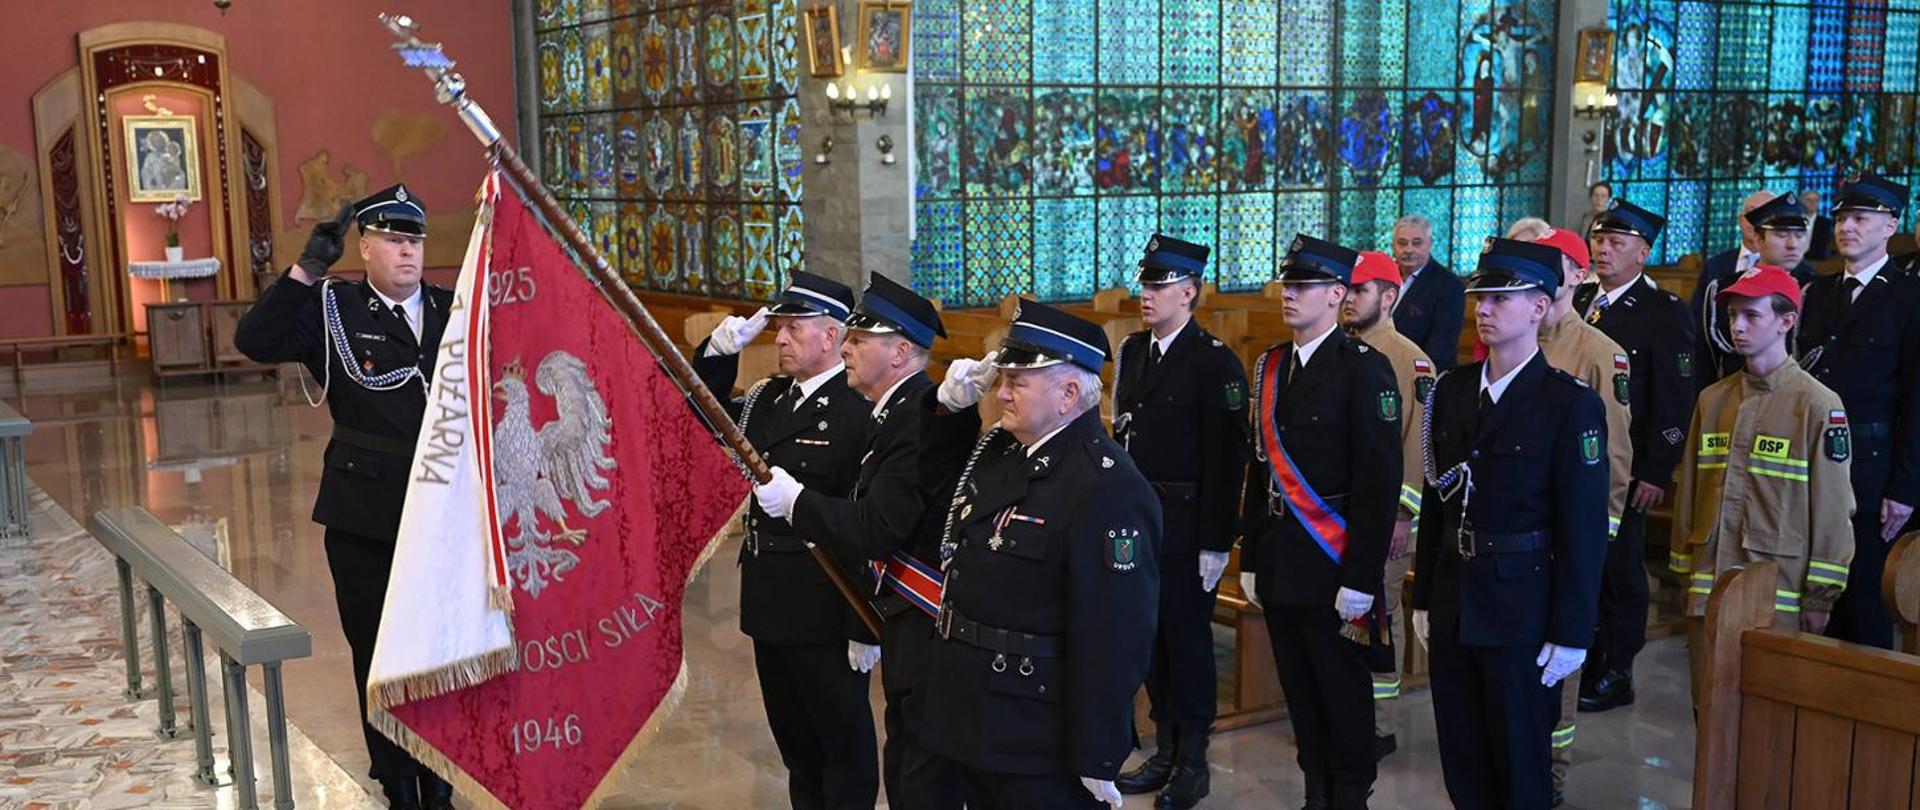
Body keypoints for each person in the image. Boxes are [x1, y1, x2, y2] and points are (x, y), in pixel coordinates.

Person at [232, 185, 457, 809]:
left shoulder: (453, 310)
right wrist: (307, 269)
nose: (407, 252)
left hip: (444, 514)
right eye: (392, 239)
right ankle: (397, 779)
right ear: (364, 247)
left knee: (439, 652)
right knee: (378, 652)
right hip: (365, 516)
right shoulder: (334, 308)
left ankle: (440, 776)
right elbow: (256, 341)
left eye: (415, 240)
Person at [920, 301, 1161, 809]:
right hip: (973, 710)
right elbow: (937, 491)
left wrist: (1098, 752)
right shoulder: (1002, 451)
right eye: (1003, 378)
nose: (1001, 392)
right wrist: (948, 411)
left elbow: (1117, 634)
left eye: (1017, 382)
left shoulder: (1106, 485)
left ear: (1069, 393)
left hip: (1036, 729)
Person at [750, 273, 962, 810]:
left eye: (860, 339)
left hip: (839, 601)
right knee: (803, 749)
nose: (847, 346)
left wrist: (859, 621)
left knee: (863, 758)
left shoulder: (898, 415)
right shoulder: (883, 410)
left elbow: (874, 525)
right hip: (782, 597)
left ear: (901, 351)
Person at [1411, 237, 1610, 810]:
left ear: (1540, 307)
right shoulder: (1451, 392)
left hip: (1523, 607)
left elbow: (1583, 528)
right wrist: (1425, 595)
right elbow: (1437, 502)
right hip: (1457, 600)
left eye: (1503, 297)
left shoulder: (1568, 403)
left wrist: (1573, 631)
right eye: (1482, 296)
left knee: (1520, 765)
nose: (1486, 308)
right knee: (1463, 760)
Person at [692, 272, 880, 809]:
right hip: (769, 599)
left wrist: (862, 621)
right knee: (797, 748)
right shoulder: (768, 398)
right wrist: (718, 351)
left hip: (827, 600)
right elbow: (702, 418)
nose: (779, 339)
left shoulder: (857, 407)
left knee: (842, 749)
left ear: (831, 336)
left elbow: (864, 520)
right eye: (779, 328)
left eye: (794, 329)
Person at [1238, 235, 1401, 810]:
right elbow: (1259, 472)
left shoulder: (1364, 368)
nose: (1290, 294)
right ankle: (1316, 792)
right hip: (1282, 557)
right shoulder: (1271, 366)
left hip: (1334, 565)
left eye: (1303, 285)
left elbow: (1380, 484)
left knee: (1343, 691)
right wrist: (1251, 560)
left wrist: (1361, 577)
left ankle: (1350, 794)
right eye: (1288, 284)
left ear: (1336, 295)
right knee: (1300, 692)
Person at [1671, 264, 1855, 704]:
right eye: (1733, 315)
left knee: (1763, 724)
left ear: (1786, 321)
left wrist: (1820, 598)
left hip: (1777, 597)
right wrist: (1682, 571)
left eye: (1751, 316)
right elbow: (1689, 496)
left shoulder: (1817, 405)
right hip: (1709, 588)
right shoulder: (1712, 401)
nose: (1736, 326)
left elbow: (1832, 510)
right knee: (1708, 714)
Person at [1110, 235, 1249, 810]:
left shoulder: (1215, 361)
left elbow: (1227, 458)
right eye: (1145, 283)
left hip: (1190, 524)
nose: (1147, 294)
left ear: (1189, 292)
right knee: (1151, 640)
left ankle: (1193, 758)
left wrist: (1217, 541)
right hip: (1142, 521)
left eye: (1159, 285)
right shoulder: (1136, 352)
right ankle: (1165, 745)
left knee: (1188, 644)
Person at [1573, 199, 1696, 712]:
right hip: (1574, 458)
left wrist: (1654, 469)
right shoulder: (1578, 300)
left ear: (1643, 252)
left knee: (1620, 571)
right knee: (1580, 564)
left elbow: (1676, 398)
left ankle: (1618, 667)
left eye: (1617, 243)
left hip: (1625, 464)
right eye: (1599, 240)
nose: (1603, 249)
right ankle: (1582, 658)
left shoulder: (1662, 312)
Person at [1530, 227, 1635, 806]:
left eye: (1552, 265)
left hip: (1570, 532)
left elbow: (1614, 454)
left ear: (1574, 276)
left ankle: (1553, 769)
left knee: (1560, 658)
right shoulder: (1511, 339)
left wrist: (1600, 537)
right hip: (1518, 529)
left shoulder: (1597, 351)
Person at [1796, 172, 1920, 651]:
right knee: (1808, 605)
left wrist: (1905, 488)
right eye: (1843, 217)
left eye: (1861, 218)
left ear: (1889, 226)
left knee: (1863, 607)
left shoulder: (1909, 299)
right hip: (1809, 465)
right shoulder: (1818, 294)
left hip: (1871, 474)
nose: (1848, 227)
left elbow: (1916, 400)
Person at [1340, 250, 1435, 764]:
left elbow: (1416, 444)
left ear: (1389, 296)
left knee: (1380, 616)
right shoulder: (1344, 350)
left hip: (1388, 518)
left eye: (1359, 291)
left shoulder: (1409, 359)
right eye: (1346, 290)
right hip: (1342, 516)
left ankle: (1381, 724)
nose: (1349, 299)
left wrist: (1403, 514)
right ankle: (1348, 712)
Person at [1696, 193, 1822, 384]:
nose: (1792, 244)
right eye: (1782, 235)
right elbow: (1705, 358)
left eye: (1799, 235)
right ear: (1758, 239)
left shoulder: (1817, 290)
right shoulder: (1724, 287)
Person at [1689, 190, 1772, 363]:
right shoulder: (1714, 265)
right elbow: (1697, 319)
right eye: (1751, 212)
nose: (1755, 219)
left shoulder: (1787, 269)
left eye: (1764, 212)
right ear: (1740, 220)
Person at [1388, 215, 1466, 371]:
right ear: (1393, 246)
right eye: (1402, 243)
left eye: (1417, 243)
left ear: (1429, 244)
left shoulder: (1449, 285)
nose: (1409, 250)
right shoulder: (1385, 279)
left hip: (1421, 375)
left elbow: (1440, 349)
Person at [1802, 189, 1836, 262]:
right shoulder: (1795, 221)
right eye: (1809, 200)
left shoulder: (1826, 223)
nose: (1812, 203)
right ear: (1802, 202)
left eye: (1816, 200)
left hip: (1819, 262)